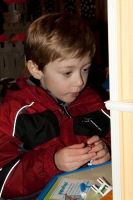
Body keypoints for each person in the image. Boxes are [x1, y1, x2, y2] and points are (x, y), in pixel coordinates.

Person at [0, 13, 111, 199]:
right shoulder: (15, 114)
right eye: (67, 73)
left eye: (85, 69)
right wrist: (52, 163)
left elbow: (119, 139)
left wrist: (107, 149)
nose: (80, 82)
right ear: (36, 69)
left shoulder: (92, 101)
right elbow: (3, 182)